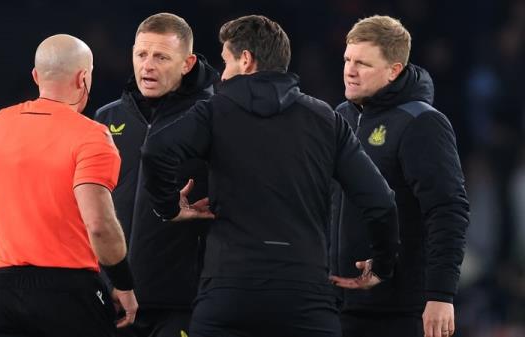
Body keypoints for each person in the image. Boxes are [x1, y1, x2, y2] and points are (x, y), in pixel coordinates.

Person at [141, 15, 400, 337]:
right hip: (306, 296)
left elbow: (156, 151)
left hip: (228, 291)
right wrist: (382, 263)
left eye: (226, 62)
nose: (222, 75)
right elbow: (380, 201)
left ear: (246, 60)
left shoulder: (214, 111)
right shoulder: (326, 120)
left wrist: (168, 207)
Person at [0, 34, 138, 337]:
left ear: (36, 75)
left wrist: (4, 269)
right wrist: (123, 282)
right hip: (70, 297)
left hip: (5, 296)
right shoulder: (91, 136)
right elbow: (99, 224)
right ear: (84, 78)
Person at [328, 15, 470, 337]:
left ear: (394, 70)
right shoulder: (340, 117)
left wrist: (440, 295)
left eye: (362, 63)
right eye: (347, 59)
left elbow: (448, 210)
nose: (350, 70)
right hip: (339, 307)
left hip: (400, 311)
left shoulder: (421, 123)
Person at [94, 13, 219, 337]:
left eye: (161, 57)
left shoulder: (214, 119)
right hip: (113, 299)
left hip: (183, 305)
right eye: (141, 54)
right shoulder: (106, 117)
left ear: (187, 63)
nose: (147, 65)